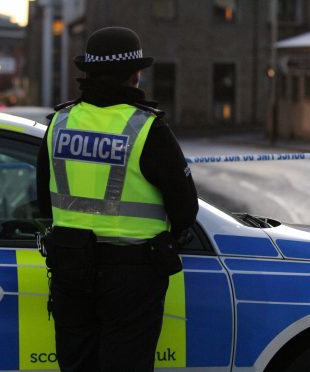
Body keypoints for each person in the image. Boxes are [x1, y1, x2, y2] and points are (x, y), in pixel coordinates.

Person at [36, 26, 198, 371]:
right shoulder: (147, 129)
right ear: (135, 74)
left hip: (70, 267)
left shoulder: (59, 123)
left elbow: (43, 197)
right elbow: (185, 208)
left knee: (77, 363)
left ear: (87, 73)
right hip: (132, 274)